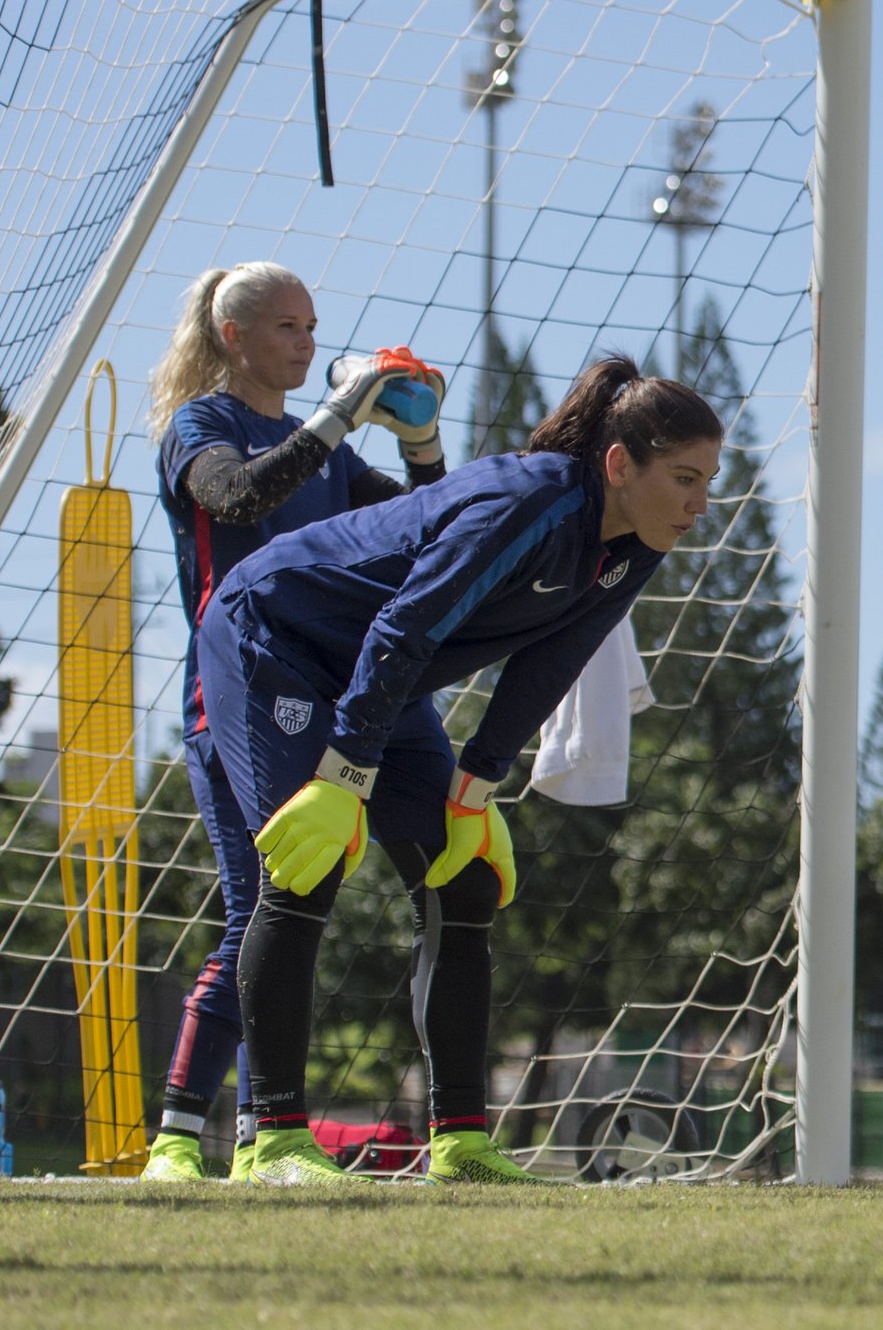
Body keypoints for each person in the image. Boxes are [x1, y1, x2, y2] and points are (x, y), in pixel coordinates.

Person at [196, 354, 720, 1185]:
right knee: (305, 868)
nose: (701, 504)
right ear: (620, 465)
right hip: (277, 638)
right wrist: (344, 776)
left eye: (708, 482)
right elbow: (405, 628)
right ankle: (273, 1143)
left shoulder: (638, 542)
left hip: (387, 674)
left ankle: (461, 1141)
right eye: (685, 478)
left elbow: (552, 661)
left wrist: (477, 787)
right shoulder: (531, 502)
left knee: (464, 878)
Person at [139, 263, 447, 1184]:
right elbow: (239, 497)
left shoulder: (325, 450)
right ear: (233, 335)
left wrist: (424, 446)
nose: (308, 346)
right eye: (286, 328)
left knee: (313, 900)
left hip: (327, 694)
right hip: (228, 699)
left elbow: (432, 522)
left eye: (313, 327)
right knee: (260, 906)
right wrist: (342, 415)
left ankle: (252, 1142)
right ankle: (181, 1141)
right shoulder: (203, 426)